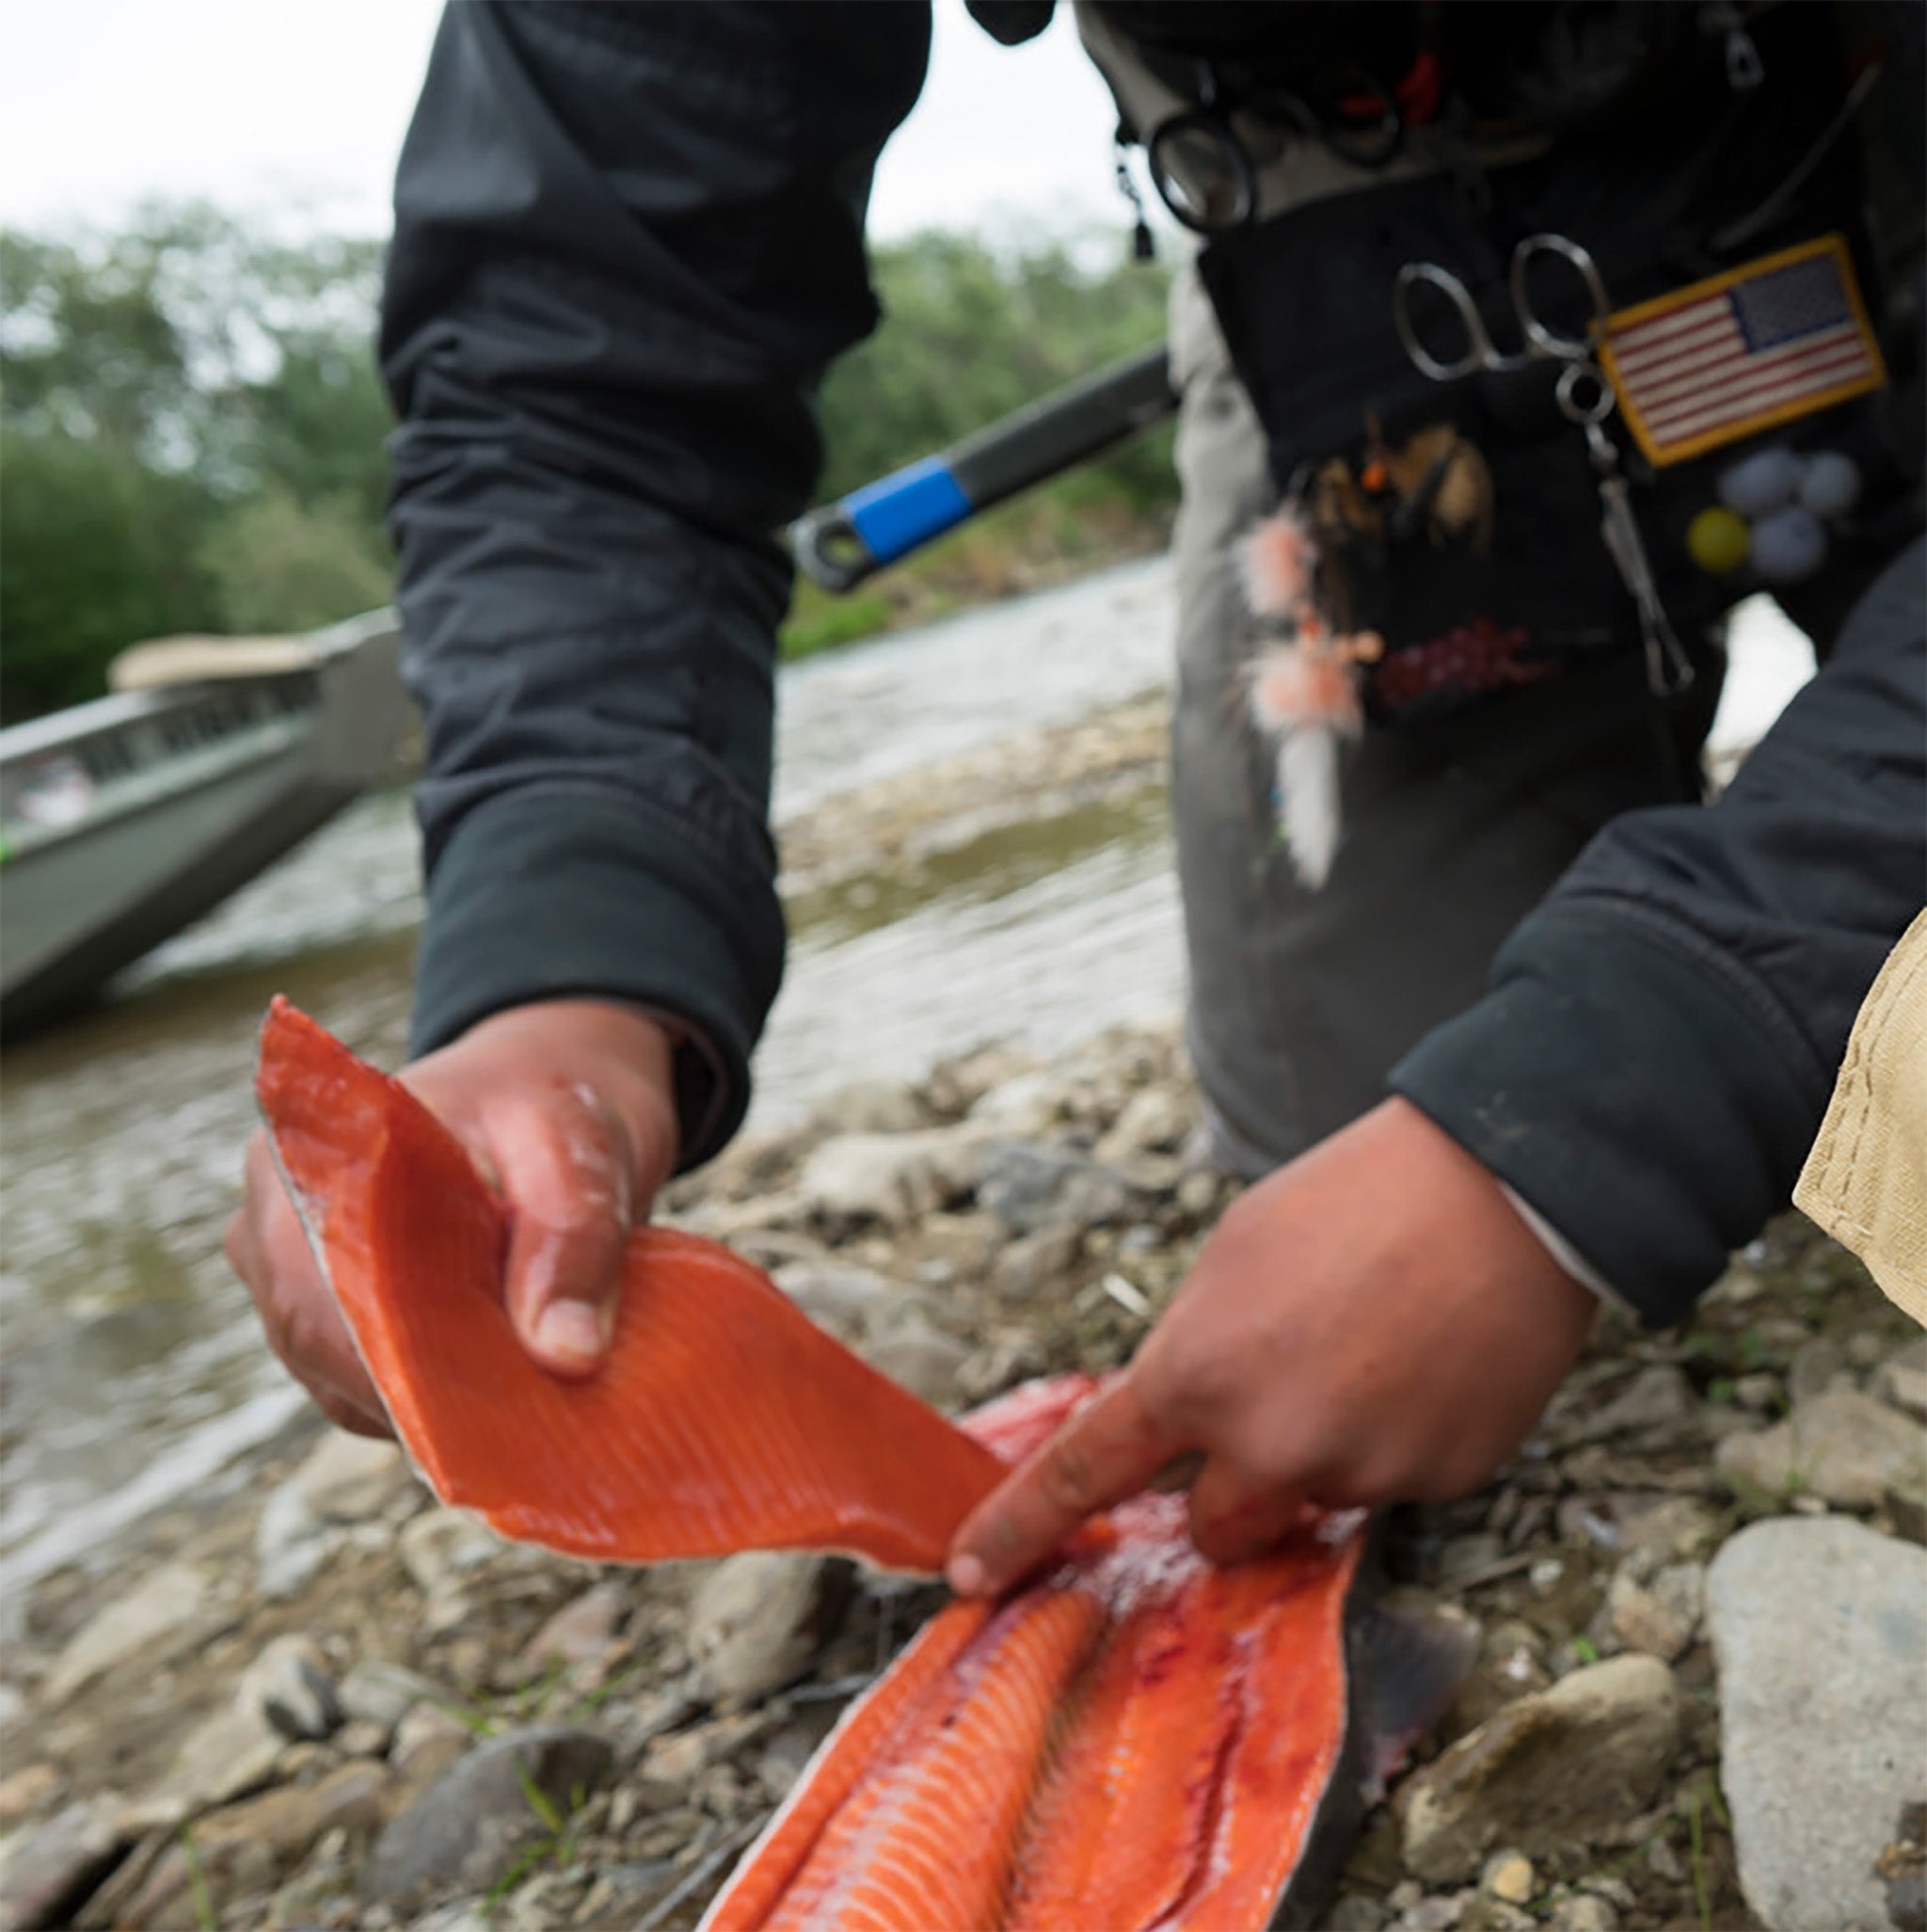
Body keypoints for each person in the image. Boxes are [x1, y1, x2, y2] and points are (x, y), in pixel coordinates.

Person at [227, 2, 1926, 1601]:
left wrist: (1601, 1110)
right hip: (1372, 306)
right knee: (1352, 1201)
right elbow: (590, 362)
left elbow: (1591, 1111)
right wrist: (558, 958)